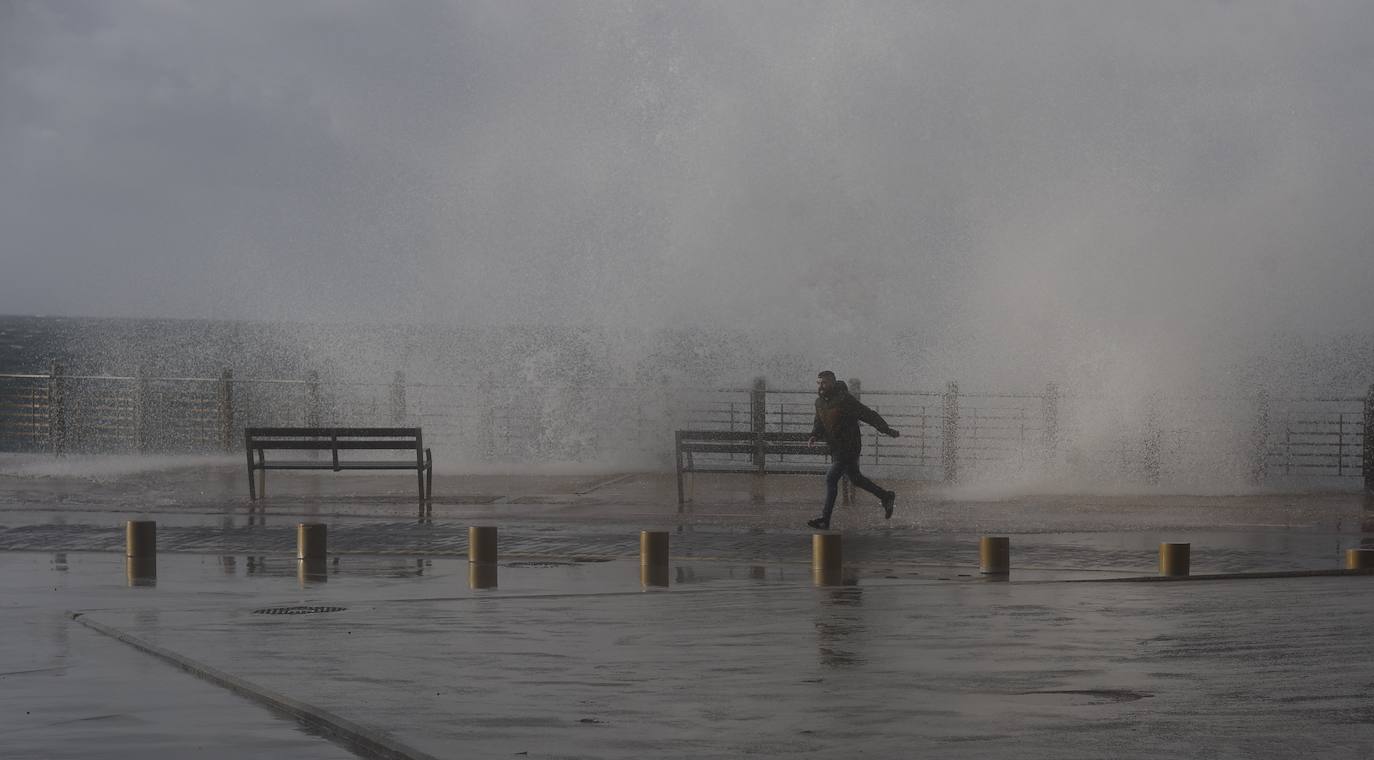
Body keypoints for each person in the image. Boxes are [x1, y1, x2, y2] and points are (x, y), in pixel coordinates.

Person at [807, 370, 899, 529]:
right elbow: (819, 422)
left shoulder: (845, 400)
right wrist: (814, 435)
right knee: (856, 479)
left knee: (831, 478)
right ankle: (886, 496)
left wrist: (886, 429)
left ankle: (825, 519)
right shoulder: (819, 402)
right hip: (836, 448)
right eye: (819, 383)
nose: (821, 386)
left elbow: (867, 414)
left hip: (850, 447)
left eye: (824, 383)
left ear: (833, 383)